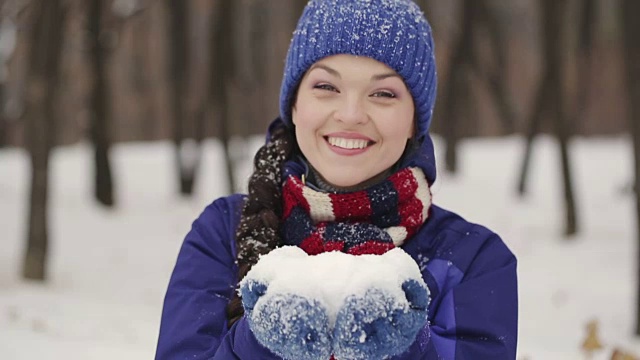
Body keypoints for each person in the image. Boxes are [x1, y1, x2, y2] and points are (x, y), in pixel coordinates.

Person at [155, 0, 518, 359]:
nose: (350, 114)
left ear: (414, 122)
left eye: (383, 93)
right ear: (295, 105)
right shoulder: (222, 232)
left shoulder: (472, 260)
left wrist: (403, 345)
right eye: (327, 87)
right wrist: (261, 341)